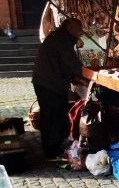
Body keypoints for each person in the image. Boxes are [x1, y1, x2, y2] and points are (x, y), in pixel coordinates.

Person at [31, 17, 85, 160]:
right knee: (53, 116)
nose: (80, 33)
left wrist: (73, 77)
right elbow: (71, 61)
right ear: (70, 28)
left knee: (51, 115)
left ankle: (52, 146)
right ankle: (51, 149)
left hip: (47, 81)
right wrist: (84, 74)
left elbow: (62, 63)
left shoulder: (59, 38)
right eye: (79, 30)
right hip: (49, 83)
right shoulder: (62, 40)